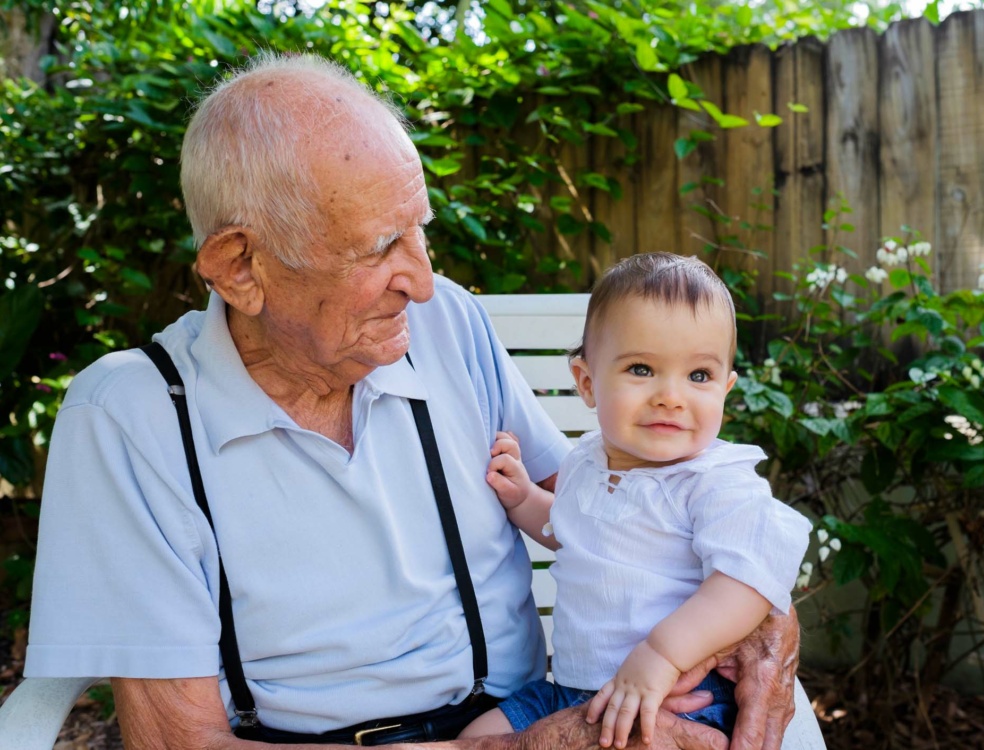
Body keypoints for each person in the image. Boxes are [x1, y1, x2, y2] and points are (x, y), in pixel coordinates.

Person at [23, 52, 820, 750]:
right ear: (240, 268)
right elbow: (180, 744)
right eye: (382, 247)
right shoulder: (131, 416)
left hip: (537, 713)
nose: (424, 279)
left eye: (422, 232)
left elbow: (601, 503)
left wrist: (753, 613)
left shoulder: (444, 323)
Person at [460, 253, 811, 748]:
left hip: (680, 690)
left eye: (699, 376)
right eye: (642, 369)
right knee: (477, 738)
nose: (671, 396)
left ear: (726, 390)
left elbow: (747, 585)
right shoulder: (586, 462)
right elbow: (568, 532)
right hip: (569, 688)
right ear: (586, 382)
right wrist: (522, 500)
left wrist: (663, 655)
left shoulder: (717, 483)